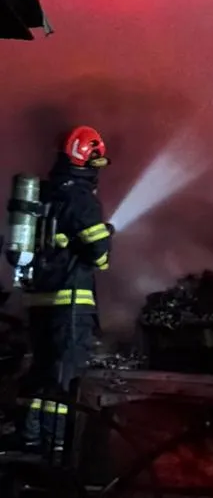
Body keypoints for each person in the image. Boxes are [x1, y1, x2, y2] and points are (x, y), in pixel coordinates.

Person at [20, 127, 113, 462]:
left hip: (39, 300)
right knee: (66, 377)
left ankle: (30, 440)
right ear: (86, 160)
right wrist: (107, 236)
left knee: (43, 370)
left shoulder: (46, 193)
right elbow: (99, 255)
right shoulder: (81, 198)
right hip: (70, 302)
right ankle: (56, 449)